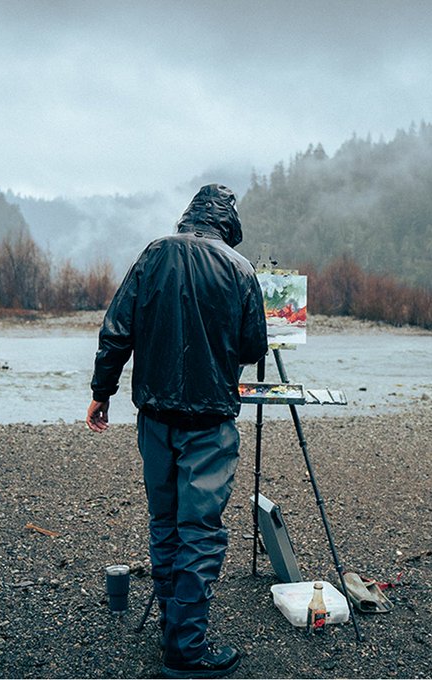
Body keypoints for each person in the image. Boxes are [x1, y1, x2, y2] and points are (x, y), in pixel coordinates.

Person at [86, 184, 268, 679]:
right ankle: (185, 649)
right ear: (227, 224)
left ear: (188, 217)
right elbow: (253, 347)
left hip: (157, 420)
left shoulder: (153, 253)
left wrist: (102, 392)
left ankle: (174, 627)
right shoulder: (239, 268)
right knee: (201, 533)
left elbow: (116, 330)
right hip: (209, 424)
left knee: (164, 522)